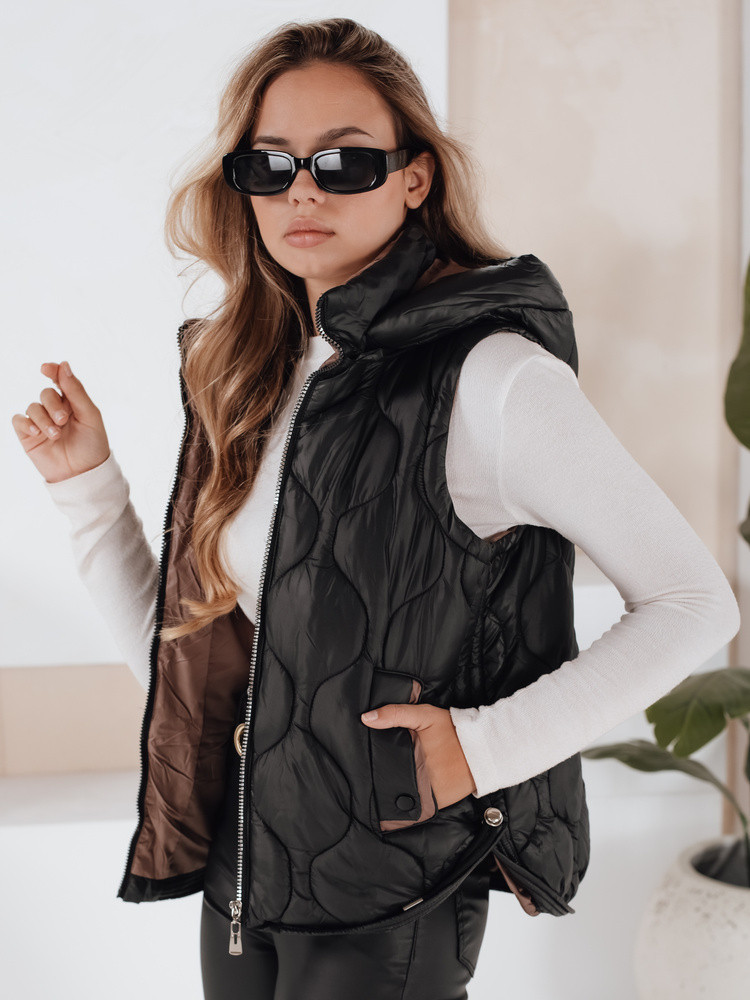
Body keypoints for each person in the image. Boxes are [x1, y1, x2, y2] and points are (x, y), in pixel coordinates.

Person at [12, 17, 740, 1000]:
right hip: (244, 872)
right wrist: (88, 487)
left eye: (344, 161)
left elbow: (696, 603)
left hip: (394, 894)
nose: (302, 190)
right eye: (270, 163)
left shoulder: (494, 378)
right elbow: (185, 663)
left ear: (416, 177)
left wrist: (480, 748)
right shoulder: (254, 375)